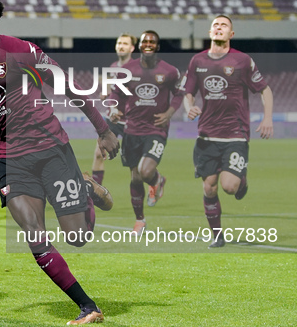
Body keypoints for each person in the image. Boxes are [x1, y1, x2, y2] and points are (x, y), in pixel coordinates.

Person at [0, 0, 119, 325]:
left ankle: (84, 188)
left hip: (50, 149)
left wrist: (103, 129)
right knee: (34, 234)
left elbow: (67, 86)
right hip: (9, 159)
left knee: (78, 237)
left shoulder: (21, 50)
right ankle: (88, 307)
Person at [183, 15, 273, 248]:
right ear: (210, 32)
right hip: (207, 136)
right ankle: (217, 236)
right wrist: (189, 107)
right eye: (216, 25)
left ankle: (241, 182)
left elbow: (265, 90)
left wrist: (268, 118)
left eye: (224, 25)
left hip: (235, 133)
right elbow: (188, 91)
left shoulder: (243, 61)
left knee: (229, 186)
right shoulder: (197, 61)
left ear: (231, 34)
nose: (219, 28)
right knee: (209, 186)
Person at [108, 30, 183, 236]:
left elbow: (179, 93)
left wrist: (169, 113)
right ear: (140, 46)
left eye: (152, 42)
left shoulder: (169, 71)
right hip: (132, 128)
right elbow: (117, 93)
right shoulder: (127, 70)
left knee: (145, 171)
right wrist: (115, 110)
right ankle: (140, 221)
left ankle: (157, 180)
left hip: (156, 129)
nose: (148, 44)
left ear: (157, 47)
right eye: (145, 41)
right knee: (134, 178)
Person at [91, 33, 137, 185]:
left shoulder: (137, 69)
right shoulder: (113, 67)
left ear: (132, 48)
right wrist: (106, 92)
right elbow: (114, 87)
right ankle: (96, 193)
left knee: (134, 165)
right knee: (99, 153)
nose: (121, 46)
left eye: (125, 43)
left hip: (130, 121)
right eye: (119, 43)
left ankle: (154, 180)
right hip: (112, 118)